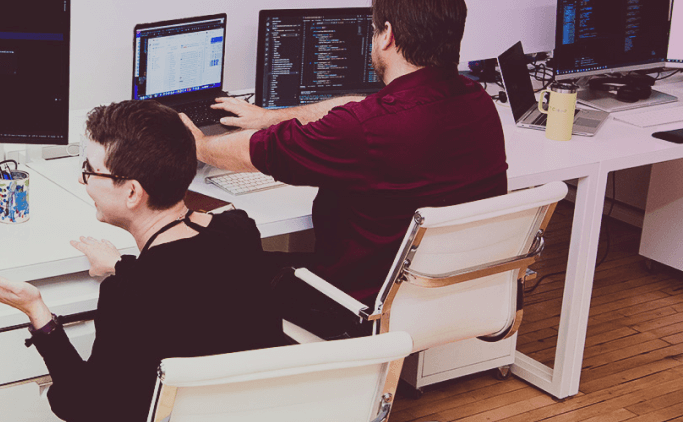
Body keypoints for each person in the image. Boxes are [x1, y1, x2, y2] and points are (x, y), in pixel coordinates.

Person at [183, 0, 508, 339]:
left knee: (222, 263)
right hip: (446, 296)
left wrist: (198, 145)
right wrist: (269, 117)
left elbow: (259, 150)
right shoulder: (478, 101)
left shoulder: (366, 131)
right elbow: (362, 108)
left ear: (387, 37)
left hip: (354, 309)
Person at [0, 100, 288, 422]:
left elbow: (79, 405)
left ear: (132, 192)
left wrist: (38, 312)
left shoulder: (129, 295)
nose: (81, 181)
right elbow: (185, 280)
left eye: (89, 171)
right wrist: (121, 266)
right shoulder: (240, 231)